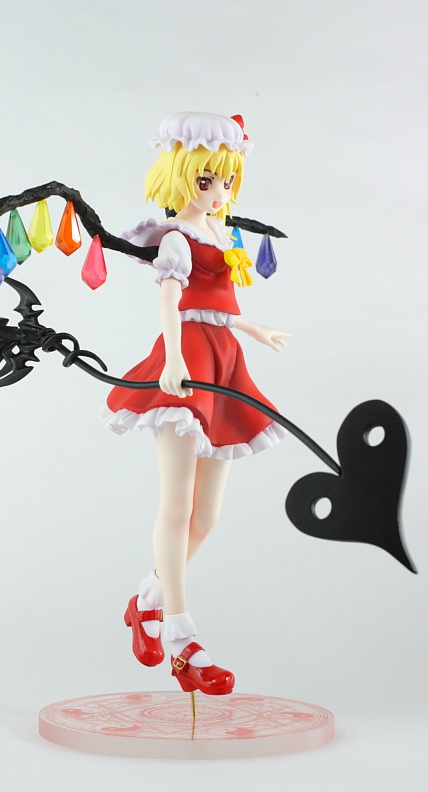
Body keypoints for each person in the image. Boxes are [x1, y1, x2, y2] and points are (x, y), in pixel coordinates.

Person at [102, 112, 290, 695]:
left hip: (225, 360)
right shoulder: (177, 239)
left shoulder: (219, 233)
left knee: (206, 517)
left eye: (225, 181)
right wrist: (175, 360)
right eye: (206, 180)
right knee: (177, 504)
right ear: (180, 176)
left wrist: (253, 329)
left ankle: (147, 599)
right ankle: (182, 638)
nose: (218, 191)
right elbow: (171, 301)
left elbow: (221, 304)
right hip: (187, 364)